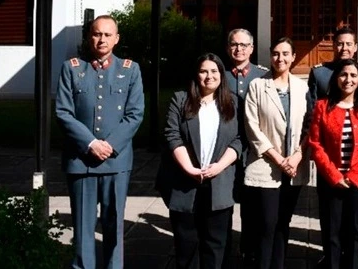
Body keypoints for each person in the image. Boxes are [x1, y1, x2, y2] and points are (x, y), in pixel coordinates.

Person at [55, 15, 145, 269]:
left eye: (107, 34)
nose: (101, 39)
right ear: (88, 37)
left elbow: (135, 113)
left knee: (114, 226)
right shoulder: (71, 68)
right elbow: (63, 112)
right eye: (97, 34)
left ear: (117, 39)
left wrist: (110, 145)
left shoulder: (130, 70)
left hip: (116, 162)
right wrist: (91, 143)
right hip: (81, 161)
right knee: (83, 228)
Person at [156, 53, 242, 268]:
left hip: (219, 182)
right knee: (186, 246)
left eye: (214, 71)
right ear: (196, 74)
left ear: (222, 75)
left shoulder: (233, 102)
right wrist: (189, 168)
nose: (209, 76)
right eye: (204, 71)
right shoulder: (180, 99)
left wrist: (219, 166)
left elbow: (240, 140)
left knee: (215, 246)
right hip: (185, 182)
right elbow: (172, 134)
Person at [307, 59, 358, 269]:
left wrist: (355, 176)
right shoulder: (322, 107)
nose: (348, 80)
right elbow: (315, 143)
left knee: (356, 232)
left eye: (353, 76)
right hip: (330, 181)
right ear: (335, 78)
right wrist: (334, 176)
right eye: (343, 75)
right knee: (332, 232)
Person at [244, 37, 311, 269]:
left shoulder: (303, 88)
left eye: (285, 54)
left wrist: (297, 157)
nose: (280, 58)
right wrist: (278, 158)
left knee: (283, 224)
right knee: (267, 224)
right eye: (275, 53)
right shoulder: (257, 86)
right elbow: (252, 128)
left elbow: (309, 127)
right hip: (266, 165)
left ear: (293, 57)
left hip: (294, 166)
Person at [224, 28, 268, 268]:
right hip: (226, 151)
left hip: (253, 151)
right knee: (225, 202)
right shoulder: (219, 75)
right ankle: (225, 248)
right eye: (234, 44)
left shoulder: (264, 76)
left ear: (252, 48)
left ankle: (249, 249)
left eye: (243, 45)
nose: (238, 49)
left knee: (252, 206)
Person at [308, 26, 358, 109]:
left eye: (349, 44)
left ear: (355, 47)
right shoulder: (319, 73)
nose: (344, 48)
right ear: (333, 46)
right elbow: (312, 109)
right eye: (340, 44)